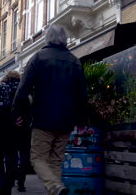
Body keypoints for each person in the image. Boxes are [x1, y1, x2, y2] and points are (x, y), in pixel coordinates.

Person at [11, 25, 87, 195]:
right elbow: (82, 95)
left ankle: (55, 187)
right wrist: (81, 120)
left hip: (43, 120)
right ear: (64, 39)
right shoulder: (74, 61)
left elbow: (22, 89)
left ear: (47, 38)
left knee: (37, 158)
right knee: (56, 160)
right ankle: (56, 188)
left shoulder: (38, 58)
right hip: (66, 121)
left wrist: (16, 113)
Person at [0, 71, 22, 195]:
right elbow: (26, 113)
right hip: (14, 132)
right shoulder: (20, 92)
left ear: (5, 78)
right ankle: (8, 185)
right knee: (12, 160)